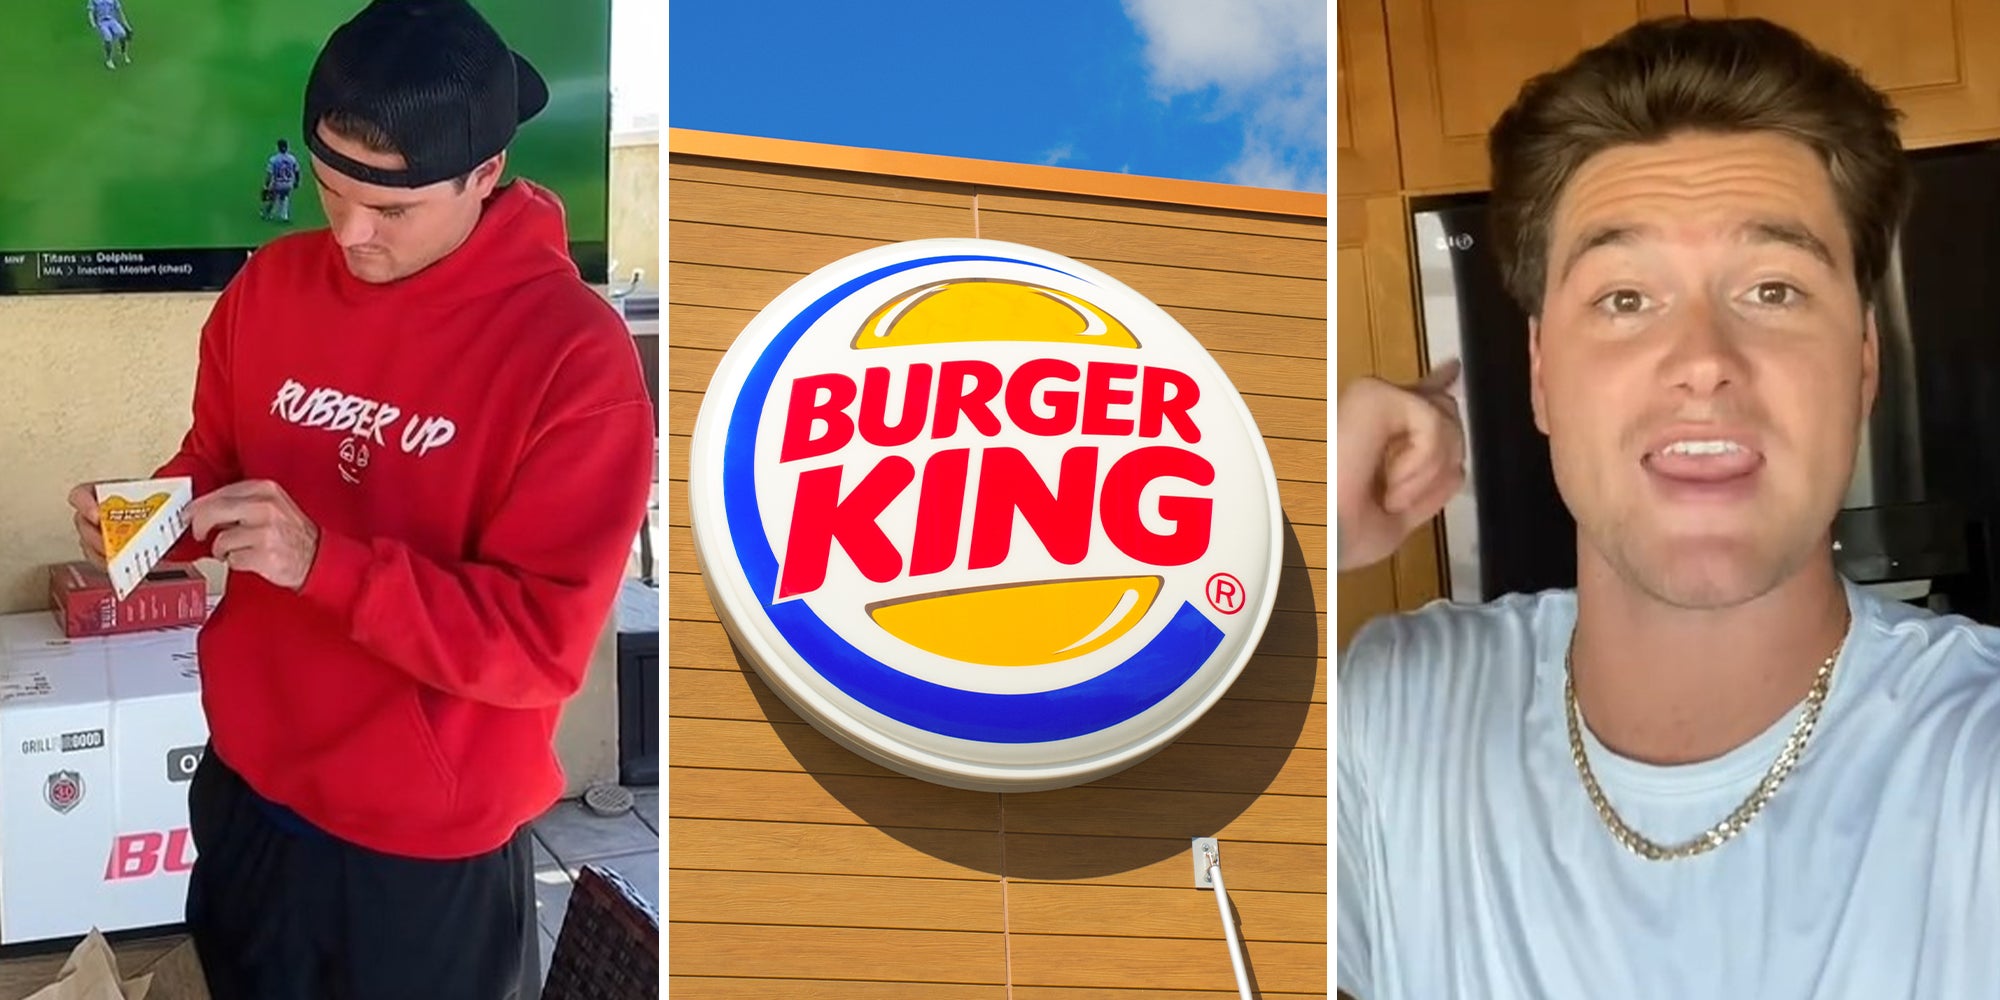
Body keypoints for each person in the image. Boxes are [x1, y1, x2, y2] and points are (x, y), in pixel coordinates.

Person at [1337, 16, 2000, 999]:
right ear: (1538, 378)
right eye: (1622, 299)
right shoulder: (1387, 719)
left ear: (1861, 363)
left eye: (1771, 289)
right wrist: (1281, 542)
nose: (1701, 361)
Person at [65, 1, 655, 996]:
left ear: (483, 176)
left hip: (424, 850)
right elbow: (214, 460)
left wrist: (324, 564)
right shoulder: (272, 285)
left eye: (390, 209)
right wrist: (146, 520)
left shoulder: (571, 356)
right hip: (248, 792)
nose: (348, 232)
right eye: (331, 190)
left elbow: (539, 642)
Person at [262, 139, 301, 223]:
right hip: (288, 183)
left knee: (272, 198)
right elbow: (297, 171)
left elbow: (269, 174)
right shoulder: (292, 158)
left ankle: (268, 214)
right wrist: (297, 182)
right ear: (287, 147)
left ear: (277, 148)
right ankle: (285, 216)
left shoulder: (274, 159)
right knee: (285, 197)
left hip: (277, 183)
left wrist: (266, 185)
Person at [88, 0, 132, 70]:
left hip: (112, 21)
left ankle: (123, 52)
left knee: (122, 34)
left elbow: (120, 11)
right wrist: (93, 23)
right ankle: (109, 59)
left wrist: (126, 24)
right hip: (102, 22)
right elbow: (90, 12)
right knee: (108, 38)